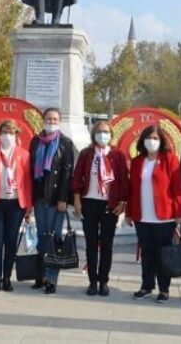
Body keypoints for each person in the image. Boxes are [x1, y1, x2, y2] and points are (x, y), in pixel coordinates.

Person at [126, 125, 181, 303]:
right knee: (147, 253)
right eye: (148, 138)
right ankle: (146, 286)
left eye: (155, 138)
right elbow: (131, 190)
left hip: (164, 216)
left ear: (162, 141)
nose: (152, 141)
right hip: (142, 215)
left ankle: (164, 289)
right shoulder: (137, 162)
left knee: (162, 254)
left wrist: (179, 213)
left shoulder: (170, 159)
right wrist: (129, 213)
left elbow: (178, 188)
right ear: (142, 140)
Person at [72, 121, 129, 297]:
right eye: (99, 132)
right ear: (93, 134)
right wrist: (76, 200)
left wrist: (122, 202)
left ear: (111, 135)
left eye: (105, 132)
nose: (102, 135)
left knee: (107, 244)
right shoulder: (86, 154)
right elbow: (77, 177)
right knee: (90, 244)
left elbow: (123, 181)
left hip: (109, 204)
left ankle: (104, 281)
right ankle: (92, 281)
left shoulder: (117, 155)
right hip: (89, 202)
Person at [0, 120, 32, 292]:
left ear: (16, 134)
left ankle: (7, 278)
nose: (7, 135)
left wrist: (28, 206)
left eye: (11, 132)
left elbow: (27, 182)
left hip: (16, 203)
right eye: (4, 132)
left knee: (10, 241)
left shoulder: (24, 155)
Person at [30, 107, 74, 294]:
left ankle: (52, 279)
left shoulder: (65, 143)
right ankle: (40, 275)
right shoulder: (35, 141)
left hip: (56, 199)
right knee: (41, 236)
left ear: (60, 120)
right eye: (49, 118)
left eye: (55, 119)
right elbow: (29, 170)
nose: (52, 121)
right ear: (43, 119)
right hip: (39, 197)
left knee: (53, 238)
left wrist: (64, 199)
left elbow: (67, 173)